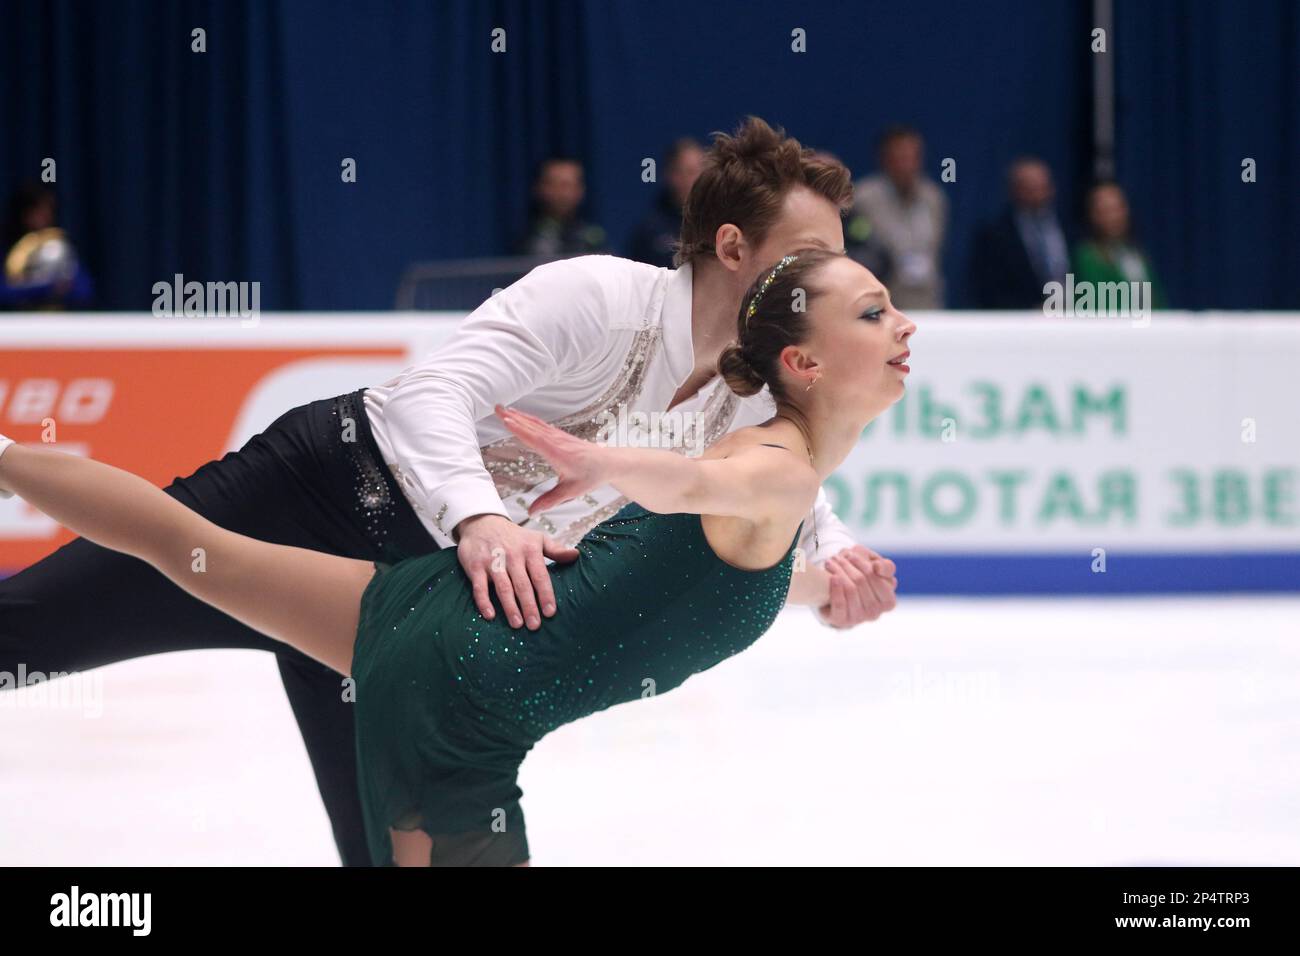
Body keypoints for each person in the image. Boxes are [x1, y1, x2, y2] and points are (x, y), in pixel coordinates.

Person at [0, 115, 898, 867]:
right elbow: (435, 391)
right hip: (322, 488)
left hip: (413, 607)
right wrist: (478, 518)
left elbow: (776, 489)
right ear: (735, 247)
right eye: (810, 253)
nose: (830, 277)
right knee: (30, 628)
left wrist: (841, 564)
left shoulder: (748, 391)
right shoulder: (596, 295)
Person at [851, 125, 947, 309]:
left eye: (912, 157)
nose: (907, 165)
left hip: (927, 299)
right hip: (882, 299)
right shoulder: (863, 199)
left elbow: (935, 250)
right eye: (900, 158)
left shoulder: (933, 198)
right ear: (885, 160)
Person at [968, 157, 1070, 309]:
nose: (1037, 194)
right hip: (1019, 321)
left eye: (1042, 187)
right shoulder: (995, 235)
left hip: (1069, 319)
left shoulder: (1068, 226)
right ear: (1014, 189)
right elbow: (988, 290)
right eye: (1030, 188)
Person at [1072, 181, 1168, 308]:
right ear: (1093, 215)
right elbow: (1099, 305)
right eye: (1106, 210)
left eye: (1118, 209)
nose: (1114, 217)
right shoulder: (1086, 257)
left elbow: (1158, 302)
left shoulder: (1137, 254)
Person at [1, 182, 95, 310]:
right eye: (38, 211)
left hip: (55, 323)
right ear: (23, 213)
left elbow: (84, 290)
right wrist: (47, 287)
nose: (45, 216)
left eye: (49, 210)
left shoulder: (59, 244)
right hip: (16, 323)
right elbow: (4, 292)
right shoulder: (8, 249)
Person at [626, 137, 705, 267]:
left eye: (698, 172)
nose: (693, 180)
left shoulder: (719, 226)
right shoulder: (649, 232)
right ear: (671, 175)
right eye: (688, 172)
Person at [514, 156, 608, 259]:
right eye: (554, 184)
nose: (562, 194)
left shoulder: (594, 239)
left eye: (567, 185)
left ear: (581, 190)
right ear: (539, 188)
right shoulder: (527, 240)